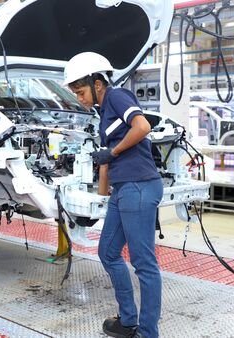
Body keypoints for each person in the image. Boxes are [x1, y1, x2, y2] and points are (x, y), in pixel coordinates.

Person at [64, 52, 163, 338]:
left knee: (144, 263)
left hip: (140, 186)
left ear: (98, 83)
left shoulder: (117, 96)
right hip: (123, 191)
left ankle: (147, 332)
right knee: (107, 252)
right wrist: (101, 191)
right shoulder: (103, 113)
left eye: (81, 92)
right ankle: (128, 319)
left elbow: (142, 127)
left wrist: (113, 151)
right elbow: (107, 158)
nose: (80, 99)